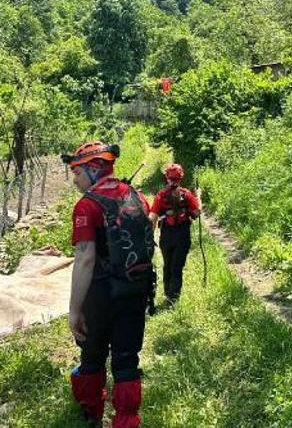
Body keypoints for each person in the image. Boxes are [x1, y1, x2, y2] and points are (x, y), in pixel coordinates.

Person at [64, 141, 153, 428]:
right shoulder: (138, 197)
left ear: (93, 169)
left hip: (100, 296)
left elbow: (84, 260)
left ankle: (91, 414)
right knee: (127, 360)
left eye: (76, 173)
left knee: (92, 357)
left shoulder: (87, 205)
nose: (75, 180)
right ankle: (127, 421)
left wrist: (74, 311)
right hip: (136, 289)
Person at [149, 163, 200, 306]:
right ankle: (173, 298)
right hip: (183, 234)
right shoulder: (187, 194)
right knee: (177, 266)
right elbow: (197, 213)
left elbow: (153, 217)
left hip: (166, 234)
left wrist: (149, 235)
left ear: (167, 178)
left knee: (167, 264)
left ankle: (167, 293)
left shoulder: (161, 195)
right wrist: (199, 197)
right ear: (181, 177)